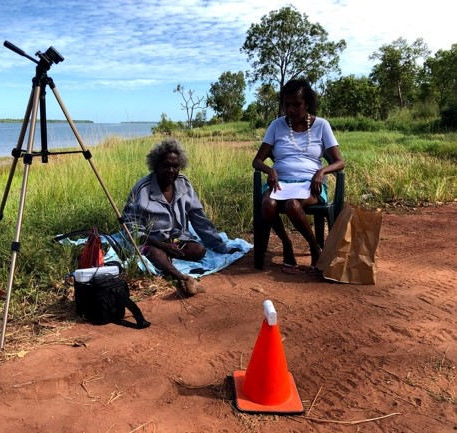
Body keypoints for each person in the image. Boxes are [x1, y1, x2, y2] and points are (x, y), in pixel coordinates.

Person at [252, 78, 345, 275]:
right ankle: (287, 245)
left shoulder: (321, 125)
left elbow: (339, 162)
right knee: (268, 204)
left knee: (292, 205)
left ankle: (315, 248)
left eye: (297, 104)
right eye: (287, 104)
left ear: (307, 104)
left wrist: (321, 172)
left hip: (310, 183)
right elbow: (257, 161)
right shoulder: (276, 126)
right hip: (281, 182)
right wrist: (270, 171)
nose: (291, 109)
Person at [122, 138, 238, 295]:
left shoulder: (184, 184)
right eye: (166, 165)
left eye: (175, 166)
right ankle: (182, 278)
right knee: (156, 254)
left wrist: (219, 246)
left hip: (176, 239)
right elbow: (131, 228)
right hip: (152, 240)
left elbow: (199, 219)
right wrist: (162, 245)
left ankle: (168, 260)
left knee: (199, 250)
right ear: (156, 165)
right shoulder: (142, 189)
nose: (171, 170)